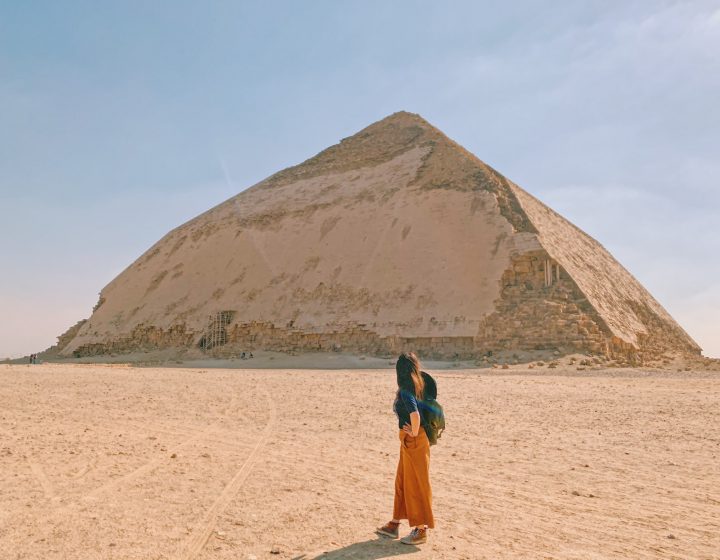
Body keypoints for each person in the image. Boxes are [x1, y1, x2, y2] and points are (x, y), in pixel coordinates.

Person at [376, 351, 434, 545]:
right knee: (402, 481)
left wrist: (414, 432)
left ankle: (421, 529)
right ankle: (395, 523)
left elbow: (415, 415)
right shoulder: (420, 384)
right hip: (411, 441)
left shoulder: (406, 390)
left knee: (417, 483)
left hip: (415, 441)